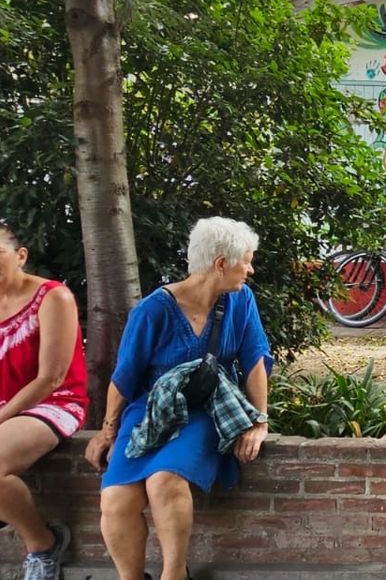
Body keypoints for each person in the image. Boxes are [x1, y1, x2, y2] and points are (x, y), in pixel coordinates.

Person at [85, 217, 272, 580]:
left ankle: (175, 575)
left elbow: (255, 359)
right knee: (116, 500)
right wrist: (108, 430)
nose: (249, 270)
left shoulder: (240, 299)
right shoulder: (153, 310)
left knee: (164, 481)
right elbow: (124, 377)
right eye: (246, 260)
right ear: (221, 264)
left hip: (205, 409)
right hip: (150, 408)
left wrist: (259, 421)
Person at [0, 221, 87, 580]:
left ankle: (43, 544)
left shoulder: (53, 296)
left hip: (48, 405)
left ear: (20, 255)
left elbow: (51, 377)